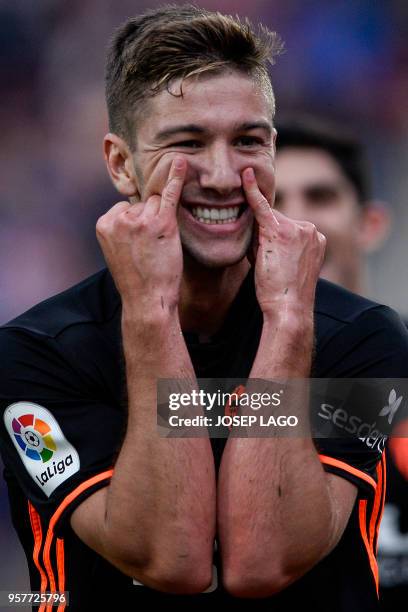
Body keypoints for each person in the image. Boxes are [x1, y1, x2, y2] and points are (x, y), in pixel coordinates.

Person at [1, 6, 407, 611]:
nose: (222, 176)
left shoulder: (362, 337)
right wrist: (151, 314)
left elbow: (261, 564)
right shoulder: (36, 352)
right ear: (119, 164)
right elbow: (174, 560)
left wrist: (289, 323)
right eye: (187, 142)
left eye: (249, 141)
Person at [275, 117, 408, 610]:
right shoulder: (205, 386)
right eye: (274, 203)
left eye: (321, 197)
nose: (298, 224)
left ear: (370, 223)